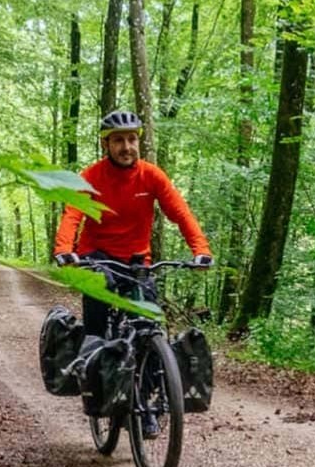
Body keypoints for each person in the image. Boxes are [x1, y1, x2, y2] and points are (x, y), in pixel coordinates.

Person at [53, 109, 213, 343]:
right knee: (100, 290)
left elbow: (181, 213)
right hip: (96, 256)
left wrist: (201, 250)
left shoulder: (152, 176)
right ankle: (91, 348)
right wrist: (64, 250)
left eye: (131, 139)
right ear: (105, 143)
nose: (126, 147)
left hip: (137, 260)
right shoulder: (91, 177)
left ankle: (152, 369)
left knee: (148, 319)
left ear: (138, 141)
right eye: (118, 140)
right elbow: (72, 216)